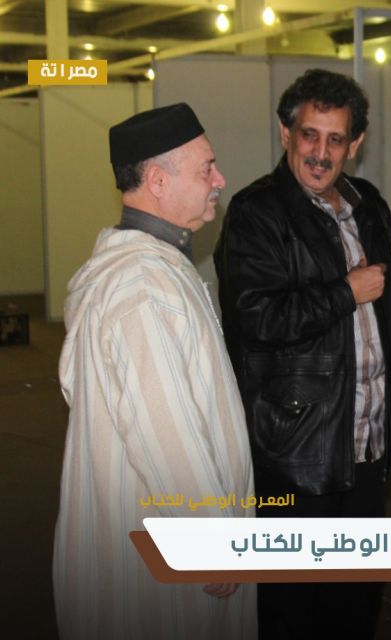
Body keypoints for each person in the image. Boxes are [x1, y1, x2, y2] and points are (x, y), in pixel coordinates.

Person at [214, 68, 391, 638]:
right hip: (295, 450)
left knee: (355, 602)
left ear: (356, 143)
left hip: (368, 442)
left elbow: (388, 310)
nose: (321, 154)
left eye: (336, 139)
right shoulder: (256, 213)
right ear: (285, 134)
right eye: (309, 135)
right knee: (292, 606)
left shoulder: (369, 206)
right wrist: (345, 292)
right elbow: (255, 318)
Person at [52, 103, 256, 640]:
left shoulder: (148, 271)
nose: (219, 180)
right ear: (159, 181)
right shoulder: (142, 286)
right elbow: (164, 429)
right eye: (206, 168)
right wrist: (207, 540)